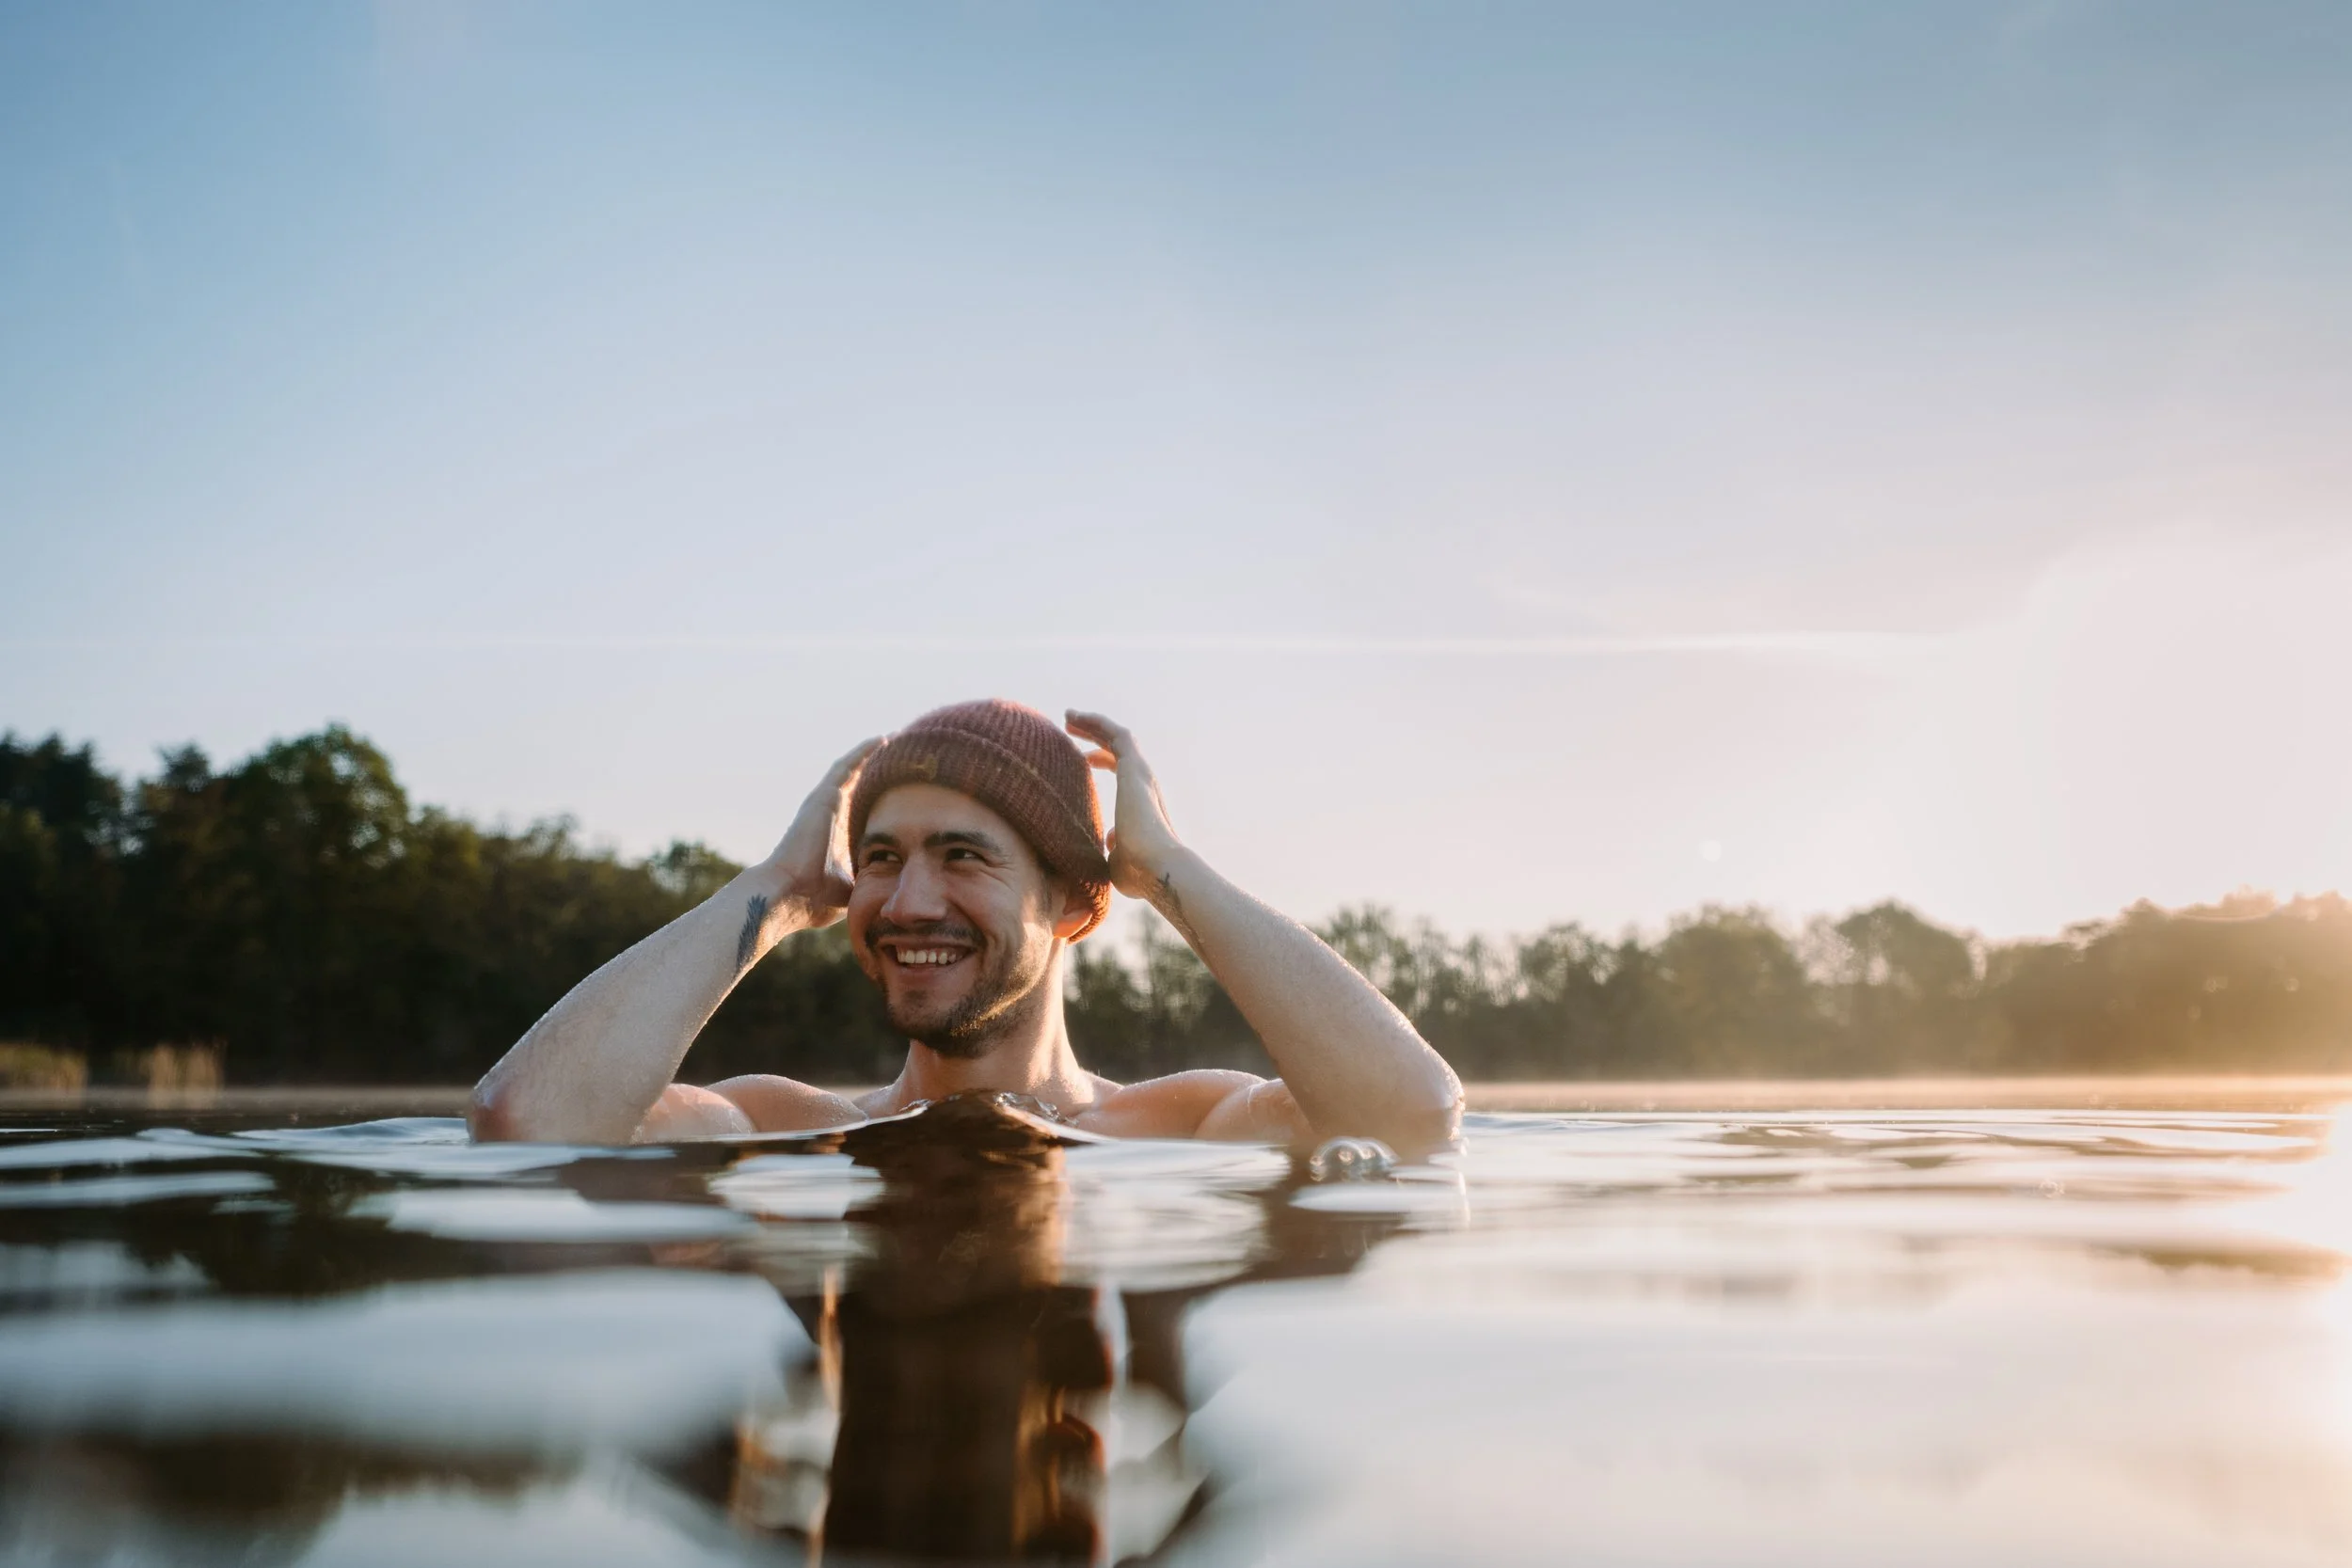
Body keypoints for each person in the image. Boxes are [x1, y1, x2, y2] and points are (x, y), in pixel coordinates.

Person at [469, 701, 1461, 1154]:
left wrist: (1167, 872)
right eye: (883, 858)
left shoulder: (1180, 1124)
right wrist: (771, 890)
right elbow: (525, 1122)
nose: (907, 903)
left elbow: (1412, 1112)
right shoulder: (791, 1125)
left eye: (964, 855)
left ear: (1074, 902)